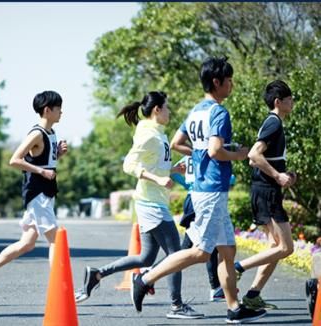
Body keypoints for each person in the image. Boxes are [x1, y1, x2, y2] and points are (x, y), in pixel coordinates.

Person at [130, 56, 267, 324]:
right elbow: (216, 150)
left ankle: (234, 308)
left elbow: (178, 142)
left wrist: (201, 152)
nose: (231, 84)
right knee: (200, 253)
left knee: (228, 250)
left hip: (206, 188)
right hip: (212, 189)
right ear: (217, 82)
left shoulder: (196, 111)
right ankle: (144, 278)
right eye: (229, 80)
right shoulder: (218, 112)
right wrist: (239, 154)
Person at [74, 91, 203, 319]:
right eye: (167, 107)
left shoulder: (158, 134)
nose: (169, 112)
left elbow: (154, 165)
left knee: (146, 258)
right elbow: (129, 164)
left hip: (151, 202)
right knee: (176, 254)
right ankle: (176, 305)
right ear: (157, 110)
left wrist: (172, 170)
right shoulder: (149, 135)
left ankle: (97, 274)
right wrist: (159, 179)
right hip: (151, 204)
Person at [0, 90, 67, 299]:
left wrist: (57, 154)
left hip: (46, 192)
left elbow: (43, 160)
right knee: (55, 241)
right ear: (47, 110)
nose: (62, 111)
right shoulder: (36, 133)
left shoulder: (51, 133)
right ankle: (60, 290)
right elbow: (14, 159)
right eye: (59, 107)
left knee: (27, 243)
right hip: (37, 193)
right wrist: (42, 171)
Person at [233, 80, 296, 310]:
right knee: (286, 248)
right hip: (267, 192)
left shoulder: (273, 123)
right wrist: (278, 176)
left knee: (274, 246)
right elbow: (253, 154)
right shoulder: (274, 123)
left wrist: (283, 173)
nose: (293, 103)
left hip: (264, 190)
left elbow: (255, 159)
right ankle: (238, 268)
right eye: (290, 99)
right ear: (279, 102)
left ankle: (252, 295)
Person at [171, 156, 236, 302]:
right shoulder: (207, 153)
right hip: (203, 199)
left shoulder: (188, 155)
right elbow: (231, 179)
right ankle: (149, 276)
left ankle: (216, 288)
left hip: (193, 198)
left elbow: (174, 172)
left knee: (201, 246)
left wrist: (188, 185)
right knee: (195, 247)